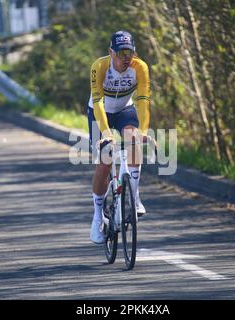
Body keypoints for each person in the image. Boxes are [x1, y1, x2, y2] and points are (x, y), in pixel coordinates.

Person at [88, 30, 151, 244]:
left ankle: (133, 197)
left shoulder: (139, 67)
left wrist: (143, 130)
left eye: (130, 52)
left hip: (125, 110)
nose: (126, 58)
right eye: (121, 53)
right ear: (111, 52)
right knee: (105, 162)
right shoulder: (100, 66)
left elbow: (142, 99)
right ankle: (97, 216)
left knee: (134, 143)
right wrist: (105, 133)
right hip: (100, 111)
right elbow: (97, 103)